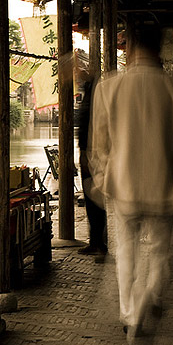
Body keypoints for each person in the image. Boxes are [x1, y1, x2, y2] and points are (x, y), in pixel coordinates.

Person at [88, 21, 173, 344]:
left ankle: (130, 313)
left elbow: (99, 144)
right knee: (161, 253)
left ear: (131, 45)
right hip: (164, 183)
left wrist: (103, 178)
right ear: (160, 46)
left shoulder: (109, 86)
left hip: (124, 185)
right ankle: (148, 298)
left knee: (126, 252)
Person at [75, 61, 108, 262]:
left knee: (95, 199)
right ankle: (96, 241)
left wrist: (86, 154)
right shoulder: (92, 95)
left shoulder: (95, 97)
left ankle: (99, 244)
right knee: (92, 199)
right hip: (90, 153)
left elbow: (90, 129)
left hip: (92, 155)